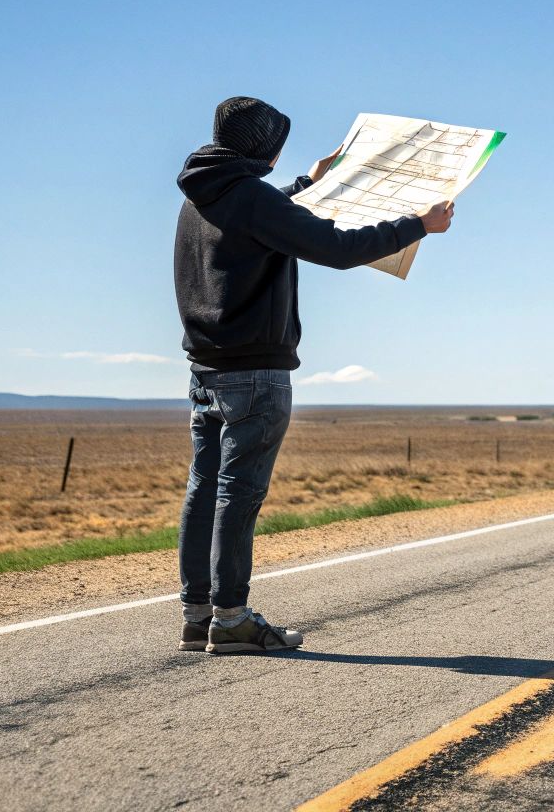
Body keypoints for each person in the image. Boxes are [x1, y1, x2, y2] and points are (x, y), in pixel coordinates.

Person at [172, 96, 454, 654]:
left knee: (205, 489)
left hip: (206, 369)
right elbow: (335, 247)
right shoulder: (249, 195)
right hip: (255, 373)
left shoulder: (205, 192)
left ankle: (198, 616)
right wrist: (416, 225)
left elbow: (263, 219)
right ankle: (231, 620)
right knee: (237, 494)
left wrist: (308, 182)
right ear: (263, 148)